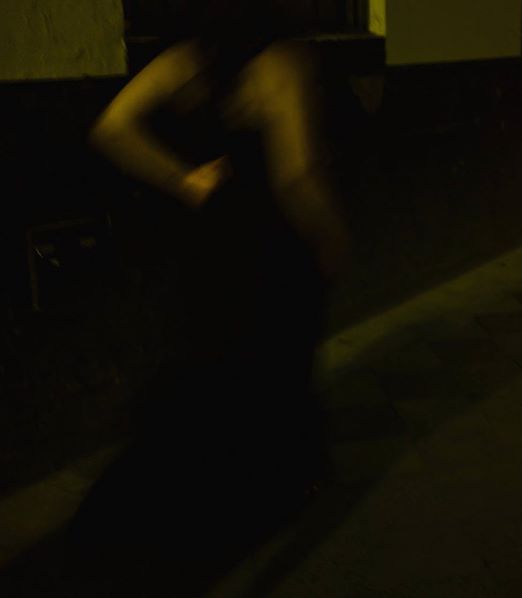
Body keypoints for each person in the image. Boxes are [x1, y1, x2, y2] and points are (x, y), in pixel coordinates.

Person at [63, 0, 350, 593]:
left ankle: (158, 513)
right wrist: (330, 236)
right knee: (274, 367)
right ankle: (256, 496)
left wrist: (184, 181)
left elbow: (111, 127)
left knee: (213, 368)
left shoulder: (185, 61)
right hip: (273, 248)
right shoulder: (284, 63)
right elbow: (296, 174)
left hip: (211, 247)